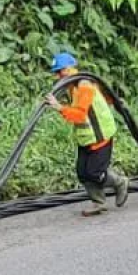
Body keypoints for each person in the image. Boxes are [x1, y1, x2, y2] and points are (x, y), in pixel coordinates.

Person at [45, 52, 129, 216]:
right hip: (86, 137)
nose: (57, 76)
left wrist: (59, 107)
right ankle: (98, 203)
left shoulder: (84, 85)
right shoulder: (71, 86)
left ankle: (119, 182)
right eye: (56, 72)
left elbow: (79, 114)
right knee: (82, 173)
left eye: (60, 71)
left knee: (94, 173)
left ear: (70, 69)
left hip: (100, 135)